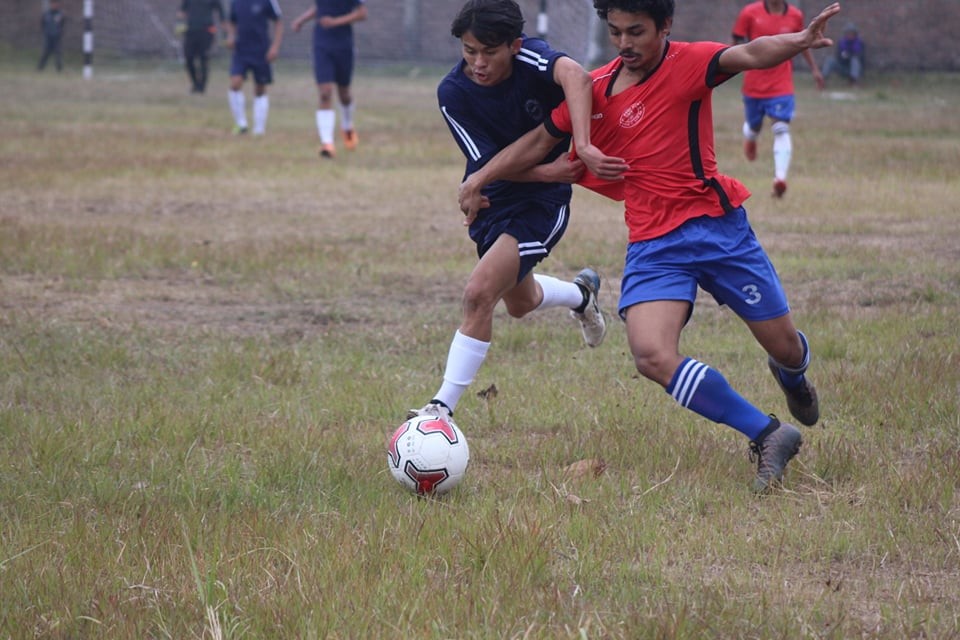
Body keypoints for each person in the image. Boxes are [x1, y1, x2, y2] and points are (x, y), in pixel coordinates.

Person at [459, 0, 840, 492]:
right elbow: (537, 142)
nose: (624, 43)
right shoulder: (595, 90)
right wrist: (479, 178)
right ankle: (768, 434)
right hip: (653, 242)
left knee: (785, 348)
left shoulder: (689, 63)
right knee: (651, 354)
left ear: (664, 27)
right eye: (615, 32)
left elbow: (747, 54)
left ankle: (791, 375)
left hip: (717, 229)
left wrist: (798, 42)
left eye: (636, 31)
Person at [406, 0, 614, 426]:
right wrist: (497, 179)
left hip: (542, 202)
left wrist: (583, 145)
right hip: (494, 198)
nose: (478, 63)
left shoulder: (532, 57)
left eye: (489, 52)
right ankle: (582, 296)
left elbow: (576, 75)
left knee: (479, 293)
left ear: (514, 45)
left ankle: (440, 410)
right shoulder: (453, 93)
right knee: (520, 303)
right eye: (469, 51)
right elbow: (487, 164)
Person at [732, 0, 825, 198]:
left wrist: (814, 70)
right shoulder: (749, 13)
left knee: (781, 127)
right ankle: (751, 136)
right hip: (754, 84)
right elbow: (736, 43)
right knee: (754, 125)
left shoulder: (795, 15)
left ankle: (780, 179)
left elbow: (803, 42)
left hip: (781, 84)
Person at [291, 0, 368, 159]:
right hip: (322, 44)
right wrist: (301, 20)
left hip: (343, 45)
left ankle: (347, 126)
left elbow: (362, 13)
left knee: (344, 94)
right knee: (325, 92)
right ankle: (327, 143)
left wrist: (335, 22)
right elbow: (319, 8)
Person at [224, 0, 284, 135]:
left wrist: (275, 47)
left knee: (260, 88)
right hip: (241, 50)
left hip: (261, 51)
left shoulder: (268, 1)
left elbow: (279, 22)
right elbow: (232, 21)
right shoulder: (236, 2)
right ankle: (241, 124)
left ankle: (259, 128)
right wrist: (231, 36)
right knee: (235, 83)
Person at [177, 0, 225, 94]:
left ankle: (202, 87)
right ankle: (195, 83)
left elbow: (221, 11)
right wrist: (180, 21)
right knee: (188, 57)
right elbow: (181, 12)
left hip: (206, 31)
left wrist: (224, 29)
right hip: (191, 31)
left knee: (203, 58)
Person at [37, 0, 66, 72]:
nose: (54, 5)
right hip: (48, 37)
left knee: (58, 54)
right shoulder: (46, 14)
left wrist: (59, 32)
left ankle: (59, 70)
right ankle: (40, 68)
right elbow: (42, 24)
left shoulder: (60, 14)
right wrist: (46, 32)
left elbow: (63, 24)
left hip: (56, 37)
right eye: (53, 4)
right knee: (45, 53)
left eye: (56, 3)